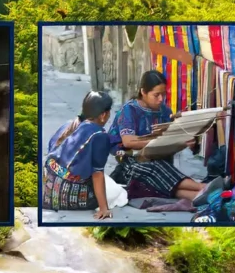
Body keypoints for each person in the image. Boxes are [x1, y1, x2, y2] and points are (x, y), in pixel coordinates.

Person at [109, 70, 207, 201]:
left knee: (159, 173)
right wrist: (161, 141)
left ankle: (199, 196)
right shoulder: (129, 110)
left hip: (160, 161)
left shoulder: (165, 111)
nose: (161, 99)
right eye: (156, 95)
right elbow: (128, 142)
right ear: (143, 92)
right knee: (154, 168)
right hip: (130, 164)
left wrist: (184, 139)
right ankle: (203, 188)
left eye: (163, 94)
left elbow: (172, 137)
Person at [42, 91, 122, 220]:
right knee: (118, 193)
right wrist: (103, 208)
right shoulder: (99, 136)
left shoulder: (70, 124)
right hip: (70, 195)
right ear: (103, 115)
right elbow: (97, 173)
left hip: (48, 191)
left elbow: (51, 147)